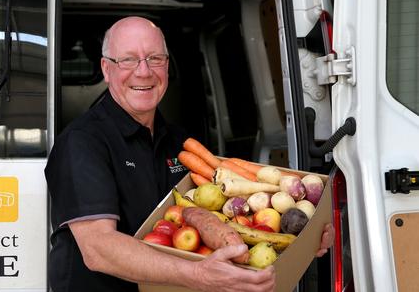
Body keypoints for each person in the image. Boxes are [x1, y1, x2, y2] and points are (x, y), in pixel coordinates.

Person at [44, 16, 333, 292]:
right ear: (106, 69)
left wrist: (300, 237)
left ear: (167, 66)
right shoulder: (82, 143)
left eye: (155, 58)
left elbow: (217, 216)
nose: (144, 71)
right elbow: (99, 250)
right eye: (128, 59)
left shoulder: (179, 143)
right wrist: (197, 275)